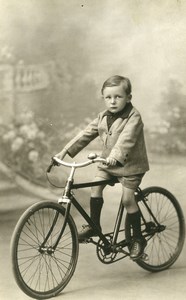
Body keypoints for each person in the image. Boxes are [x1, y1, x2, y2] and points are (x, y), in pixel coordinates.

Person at [55, 75, 149, 260]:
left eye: (118, 97)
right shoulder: (102, 117)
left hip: (131, 166)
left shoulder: (133, 117)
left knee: (128, 200)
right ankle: (94, 226)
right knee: (95, 186)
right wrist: (64, 151)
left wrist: (114, 157)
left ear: (129, 97)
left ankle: (138, 239)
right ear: (103, 98)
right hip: (107, 164)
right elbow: (85, 134)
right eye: (108, 97)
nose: (113, 101)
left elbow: (126, 140)